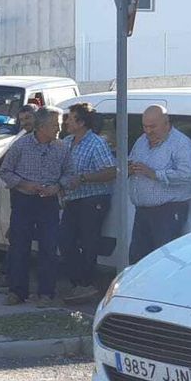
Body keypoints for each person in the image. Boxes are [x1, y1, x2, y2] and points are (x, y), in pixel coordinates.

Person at [0, 106, 66, 305]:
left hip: (49, 202)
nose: (59, 129)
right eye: (55, 125)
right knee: (19, 246)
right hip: (24, 200)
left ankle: (46, 293)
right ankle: (17, 292)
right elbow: (5, 171)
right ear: (42, 126)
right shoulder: (21, 146)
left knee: (48, 247)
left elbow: (70, 174)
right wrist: (24, 184)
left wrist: (58, 186)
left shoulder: (62, 148)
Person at [58, 102, 118, 302]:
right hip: (72, 199)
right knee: (64, 241)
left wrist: (84, 178)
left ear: (82, 122)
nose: (66, 121)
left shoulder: (96, 143)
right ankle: (77, 282)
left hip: (93, 199)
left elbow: (110, 172)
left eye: (70, 118)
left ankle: (86, 284)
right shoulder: (67, 142)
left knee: (88, 241)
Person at [127, 104, 191, 264]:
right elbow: (132, 159)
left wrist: (154, 173)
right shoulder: (142, 140)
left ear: (166, 123)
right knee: (138, 258)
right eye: (145, 126)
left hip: (168, 211)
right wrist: (129, 167)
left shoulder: (181, 143)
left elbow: (186, 175)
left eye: (153, 127)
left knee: (164, 259)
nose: (148, 131)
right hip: (143, 210)